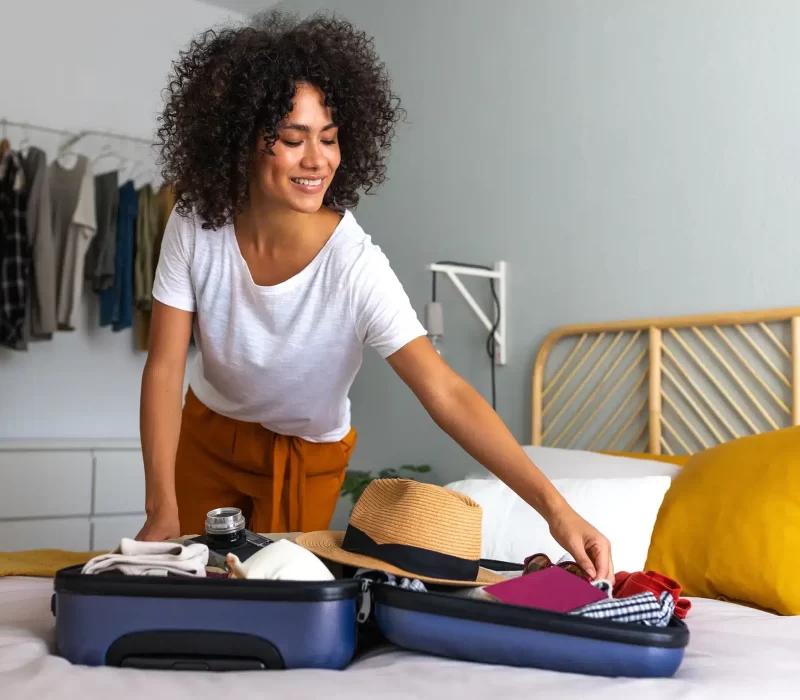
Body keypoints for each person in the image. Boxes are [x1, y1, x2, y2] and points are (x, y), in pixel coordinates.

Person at [136, 10, 613, 581]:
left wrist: (557, 512)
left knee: (274, 601)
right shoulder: (196, 222)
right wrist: (159, 504)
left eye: (330, 138)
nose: (318, 160)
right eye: (292, 140)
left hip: (305, 456)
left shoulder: (355, 266)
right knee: (185, 590)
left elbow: (447, 393)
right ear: (240, 143)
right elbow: (164, 368)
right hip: (208, 434)